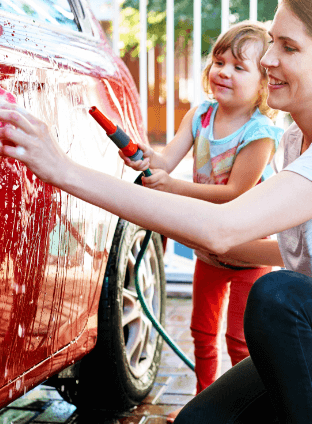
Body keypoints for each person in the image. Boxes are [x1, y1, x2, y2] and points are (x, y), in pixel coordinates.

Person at [0, 0, 312, 422]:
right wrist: (219, 247)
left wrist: (62, 170)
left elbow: (221, 227)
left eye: (289, 48)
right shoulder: (297, 141)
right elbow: (306, 247)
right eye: (273, 41)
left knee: (279, 297)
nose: (269, 59)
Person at [119, 21, 283, 422]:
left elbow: (235, 195)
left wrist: (172, 187)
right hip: (208, 250)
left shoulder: (261, 133)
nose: (223, 71)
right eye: (219, 61)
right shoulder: (200, 116)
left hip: (249, 252)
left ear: (264, 83)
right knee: (203, 333)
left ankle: (249, 413)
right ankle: (204, 404)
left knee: (242, 341)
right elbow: (165, 161)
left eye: (238, 68)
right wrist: (144, 158)